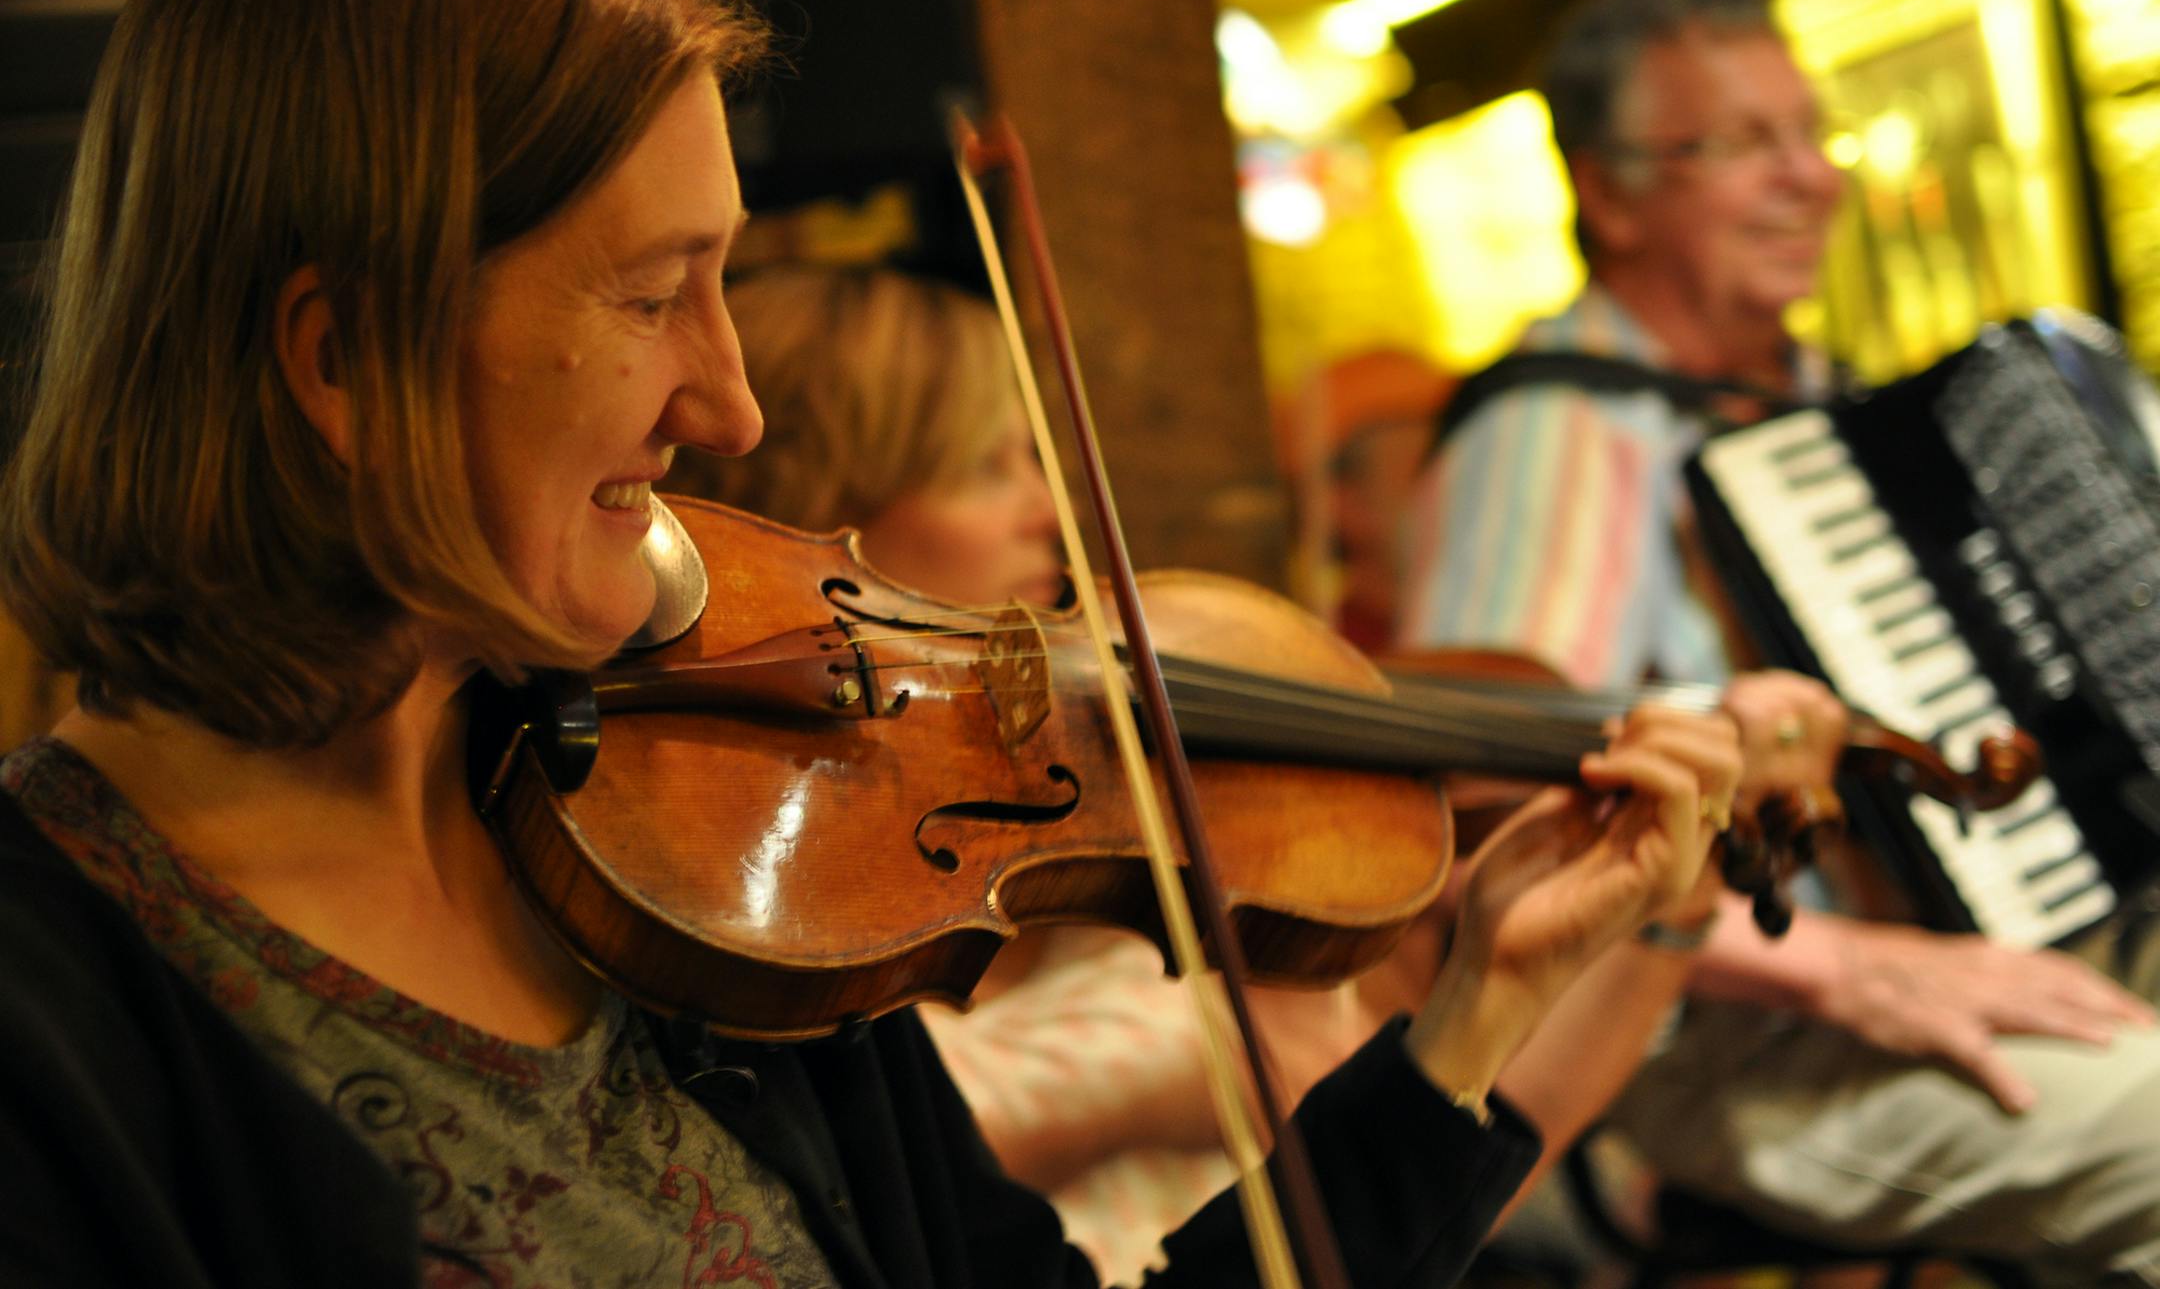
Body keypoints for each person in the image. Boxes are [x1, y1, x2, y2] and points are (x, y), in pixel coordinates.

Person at [0, 0, 1746, 1287]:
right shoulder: (59, 1007)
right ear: (343, 356)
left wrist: (1476, 1011)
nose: (732, 402)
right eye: (649, 294)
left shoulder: (701, 855)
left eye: (729, 283)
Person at [672, 264, 1842, 1283]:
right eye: (987, 466)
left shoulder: (1086, 810)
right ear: (827, 522)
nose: (1049, 505)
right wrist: (1151, 1066)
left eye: (1036, 454)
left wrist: (1664, 902)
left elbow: (1434, 1165)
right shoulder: (768, 905)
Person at [1397, 0, 2160, 1285]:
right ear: (1609, 193)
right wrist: (1845, 965)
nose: (1813, 178)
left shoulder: (1834, 408)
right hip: (1712, 1036)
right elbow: (1461, 829)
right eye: (1743, 144)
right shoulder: (1558, 435)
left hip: (1978, 956)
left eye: (1810, 136)